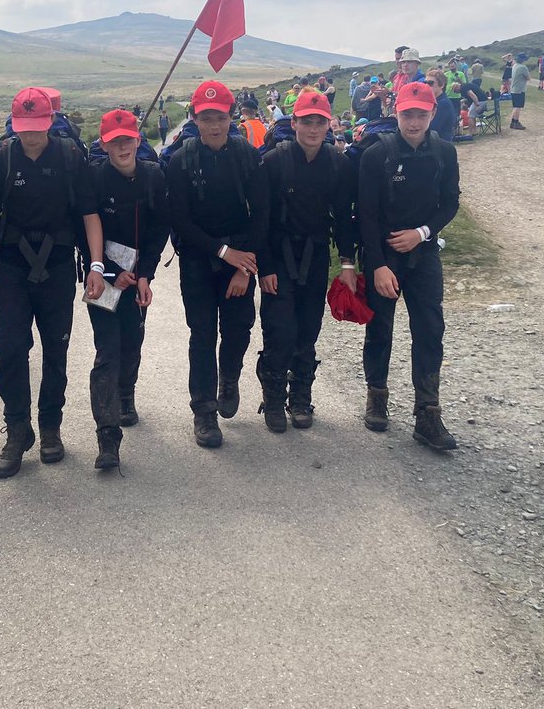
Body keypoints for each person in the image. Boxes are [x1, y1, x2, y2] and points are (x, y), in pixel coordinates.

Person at [0, 86, 105, 479]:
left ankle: (51, 426)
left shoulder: (70, 157)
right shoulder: (0, 160)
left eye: (37, 126)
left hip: (57, 266)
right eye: (23, 127)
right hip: (13, 267)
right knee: (12, 349)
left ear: (49, 121)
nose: (30, 134)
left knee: (57, 349)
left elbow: (89, 213)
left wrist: (96, 266)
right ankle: (18, 429)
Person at [357, 81, 460, 451]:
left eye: (421, 114)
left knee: (430, 329)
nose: (413, 122)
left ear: (432, 113)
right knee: (380, 327)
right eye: (406, 114)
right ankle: (377, 396)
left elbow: (450, 203)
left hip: (424, 253)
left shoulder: (445, 153)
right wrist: (379, 266)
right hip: (384, 257)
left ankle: (428, 412)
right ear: (395, 113)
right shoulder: (376, 154)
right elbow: (365, 216)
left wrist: (422, 232)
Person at [166, 80, 267, 449]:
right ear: (194, 118)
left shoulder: (247, 155)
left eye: (220, 117)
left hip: (242, 256)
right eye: (206, 117)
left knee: (239, 329)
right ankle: (204, 411)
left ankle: (230, 377)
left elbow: (261, 214)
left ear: (231, 117)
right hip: (198, 258)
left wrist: (243, 267)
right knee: (202, 334)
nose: (213, 125)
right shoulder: (180, 160)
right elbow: (180, 221)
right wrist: (224, 254)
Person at [256, 89, 357, 432]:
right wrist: (265, 267)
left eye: (320, 122)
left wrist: (347, 264)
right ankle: (272, 397)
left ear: (328, 125)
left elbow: (344, 217)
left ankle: (300, 396)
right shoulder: (273, 161)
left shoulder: (338, 163)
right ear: (294, 122)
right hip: (278, 257)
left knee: (308, 329)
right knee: (279, 328)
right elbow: (260, 220)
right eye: (306, 121)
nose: (313, 129)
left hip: (314, 255)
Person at [84, 109, 170, 468]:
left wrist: (144, 274)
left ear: (138, 139)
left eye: (128, 139)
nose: (122, 146)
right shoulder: (92, 178)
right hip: (101, 277)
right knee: (107, 349)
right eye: (114, 141)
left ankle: (126, 394)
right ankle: (107, 437)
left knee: (132, 339)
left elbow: (158, 230)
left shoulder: (154, 177)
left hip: (138, 278)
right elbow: (84, 230)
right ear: (104, 144)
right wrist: (109, 272)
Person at [424, 69, 459, 142]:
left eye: (430, 83)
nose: (427, 86)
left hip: (441, 146)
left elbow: (433, 128)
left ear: (442, 85)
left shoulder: (443, 103)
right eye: (425, 83)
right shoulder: (437, 101)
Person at [509, 53, 530, 130]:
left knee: (515, 106)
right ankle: (516, 122)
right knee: (518, 107)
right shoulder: (523, 67)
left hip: (513, 89)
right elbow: (528, 77)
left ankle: (513, 122)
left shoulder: (514, 66)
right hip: (519, 89)